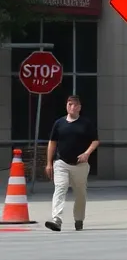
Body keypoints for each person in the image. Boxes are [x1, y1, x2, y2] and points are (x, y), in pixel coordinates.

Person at [44, 95, 99, 232]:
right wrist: (49, 163)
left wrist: (87, 153)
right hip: (61, 163)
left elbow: (95, 141)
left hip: (80, 165)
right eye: (69, 104)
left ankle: (79, 219)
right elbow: (52, 143)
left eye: (75, 105)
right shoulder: (59, 123)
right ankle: (57, 219)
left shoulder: (86, 123)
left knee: (80, 193)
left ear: (79, 107)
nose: (72, 107)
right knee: (60, 188)